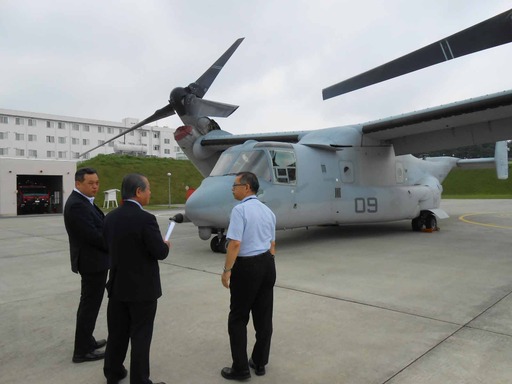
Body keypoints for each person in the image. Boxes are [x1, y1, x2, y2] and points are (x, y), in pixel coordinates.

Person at [102, 173, 170, 384]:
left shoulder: (110, 217)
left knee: (117, 333)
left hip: (117, 285)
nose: (150, 193)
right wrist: (165, 246)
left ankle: (113, 373)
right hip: (142, 289)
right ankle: (140, 380)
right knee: (140, 335)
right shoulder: (146, 219)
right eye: (148, 189)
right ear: (139, 192)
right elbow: (159, 252)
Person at [221, 171, 277, 381]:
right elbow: (272, 244)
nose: (233, 189)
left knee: (237, 318)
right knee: (264, 317)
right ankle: (260, 362)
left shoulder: (240, 210)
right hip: (267, 263)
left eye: (235, 186)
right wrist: (268, 263)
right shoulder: (267, 211)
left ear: (246, 187)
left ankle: (241, 369)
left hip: (247, 266)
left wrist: (227, 271)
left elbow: (235, 243)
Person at [64, 167, 109, 363]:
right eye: (90, 183)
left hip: (95, 261)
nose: (95, 187)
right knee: (89, 306)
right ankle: (82, 351)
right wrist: (115, 241)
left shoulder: (84, 202)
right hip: (92, 262)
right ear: (78, 184)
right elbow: (92, 235)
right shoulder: (77, 205)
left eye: (97, 183)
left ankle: (87, 340)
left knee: (91, 304)